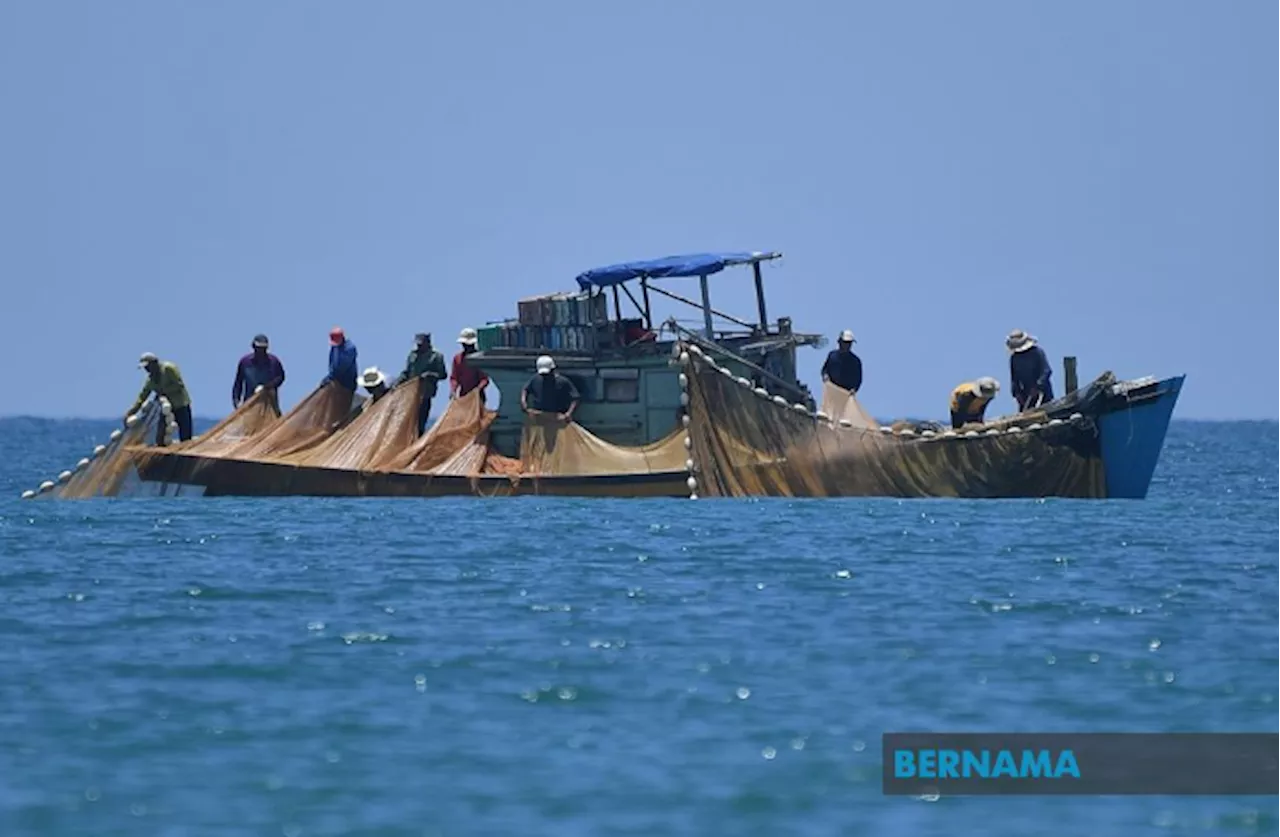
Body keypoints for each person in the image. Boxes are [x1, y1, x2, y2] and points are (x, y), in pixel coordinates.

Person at [125, 352, 193, 444]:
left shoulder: (168, 369)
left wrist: (164, 392)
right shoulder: (150, 380)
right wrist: (131, 412)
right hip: (166, 410)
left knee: (185, 436)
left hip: (181, 405)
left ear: (155, 363)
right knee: (161, 433)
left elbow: (179, 386)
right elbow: (142, 397)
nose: (147, 369)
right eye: (145, 368)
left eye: (148, 366)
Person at [395, 332, 448, 435]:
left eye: (421, 344)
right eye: (418, 344)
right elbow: (407, 372)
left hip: (425, 394)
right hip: (410, 394)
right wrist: (398, 382)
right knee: (408, 423)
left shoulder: (436, 356)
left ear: (428, 343)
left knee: (420, 424)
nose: (419, 346)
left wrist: (430, 375)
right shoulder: (412, 355)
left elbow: (443, 375)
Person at [231, 333, 286, 408]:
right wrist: (236, 401)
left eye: (263, 349)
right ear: (253, 347)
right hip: (249, 404)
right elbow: (238, 384)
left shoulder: (273, 362)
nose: (261, 351)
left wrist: (266, 387)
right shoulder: (245, 362)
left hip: (269, 405)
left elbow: (280, 377)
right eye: (258, 348)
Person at [521, 354, 579, 422]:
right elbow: (525, 389)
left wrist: (568, 414)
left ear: (553, 369)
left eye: (547, 374)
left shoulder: (563, 382)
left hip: (558, 419)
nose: (545, 376)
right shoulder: (536, 379)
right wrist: (523, 402)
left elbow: (575, 398)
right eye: (543, 374)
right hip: (540, 418)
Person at [1006, 329, 1054, 411]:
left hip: (1043, 394)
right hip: (1025, 396)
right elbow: (1014, 379)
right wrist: (1016, 393)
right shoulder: (1014, 358)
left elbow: (1046, 371)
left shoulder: (1037, 352)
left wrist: (1038, 386)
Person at [450, 327, 490, 401]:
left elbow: (484, 379)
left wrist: (477, 390)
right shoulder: (458, 358)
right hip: (463, 396)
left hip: (478, 397)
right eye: (464, 344)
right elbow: (454, 378)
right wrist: (453, 391)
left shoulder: (480, 358)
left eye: (469, 345)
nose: (467, 347)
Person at [821, 329, 863, 394]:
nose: (847, 345)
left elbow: (858, 380)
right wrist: (825, 376)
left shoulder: (855, 361)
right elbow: (825, 370)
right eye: (845, 343)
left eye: (849, 343)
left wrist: (854, 389)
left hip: (846, 394)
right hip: (832, 392)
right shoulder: (832, 356)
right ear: (839, 342)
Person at [321, 327, 358, 391]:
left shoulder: (349, 349)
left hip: (348, 383)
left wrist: (330, 377)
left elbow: (341, 368)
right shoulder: (335, 347)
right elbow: (332, 363)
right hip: (336, 380)